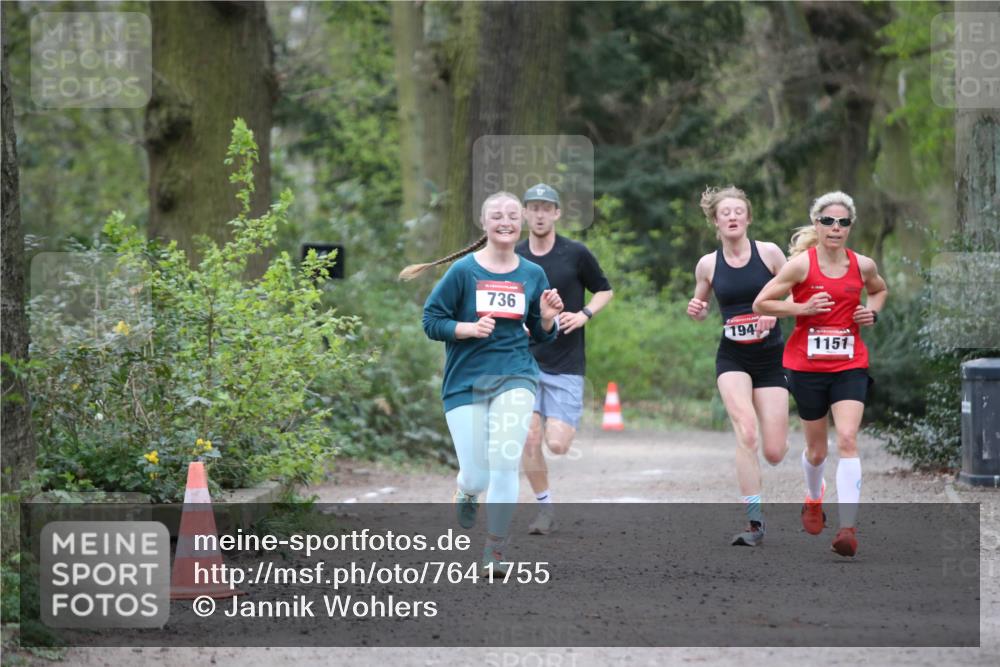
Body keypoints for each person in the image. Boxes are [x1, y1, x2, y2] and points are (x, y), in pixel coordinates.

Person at [399, 191, 564, 572]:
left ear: (520, 221)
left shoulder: (532, 274)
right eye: (497, 216)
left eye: (511, 215)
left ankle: (496, 547)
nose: (505, 222)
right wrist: (467, 328)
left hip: (515, 374)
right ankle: (467, 489)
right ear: (484, 223)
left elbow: (541, 337)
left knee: (506, 459)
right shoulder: (464, 272)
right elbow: (431, 321)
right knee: (477, 472)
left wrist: (547, 319)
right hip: (465, 379)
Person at [753, 191, 888, 557]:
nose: (835, 227)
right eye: (828, 221)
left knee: (846, 438)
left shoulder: (863, 265)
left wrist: (871, 312)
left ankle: (847, 528)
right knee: (816, 451)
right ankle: (814, 497)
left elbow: (879, 290)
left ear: (850, 227)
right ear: (816, 223)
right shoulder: (800, 266)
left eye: (843, 222)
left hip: (849, 365)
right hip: (806, 366)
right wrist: (802, 306)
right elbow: (761, 302)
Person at [686, 186, 790, 547]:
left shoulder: (770, 253)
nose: (732, 217)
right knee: (746, 432)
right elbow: (699, 306)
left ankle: (812, 480)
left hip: (772, 357)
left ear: (747, 217)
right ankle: (755, 522)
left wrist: (774, 315)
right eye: (724, 212)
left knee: (775, 451)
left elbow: (794, 292)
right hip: (732, 357)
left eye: (738, 211)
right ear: (715, 221)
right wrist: (696, 310)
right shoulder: (707, 264)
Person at [515, 183, 613, 535]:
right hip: (524, 360)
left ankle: (562, 422)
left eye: (546, 208)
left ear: (556, 213)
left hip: (566, 359)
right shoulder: (514, 254)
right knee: (529, 437)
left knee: (557, 444)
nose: (540, 214)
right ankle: (544, 510)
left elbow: (605, 288)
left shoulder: (575, 253)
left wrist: (584, 313)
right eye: (533, 208)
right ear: (525, 213)